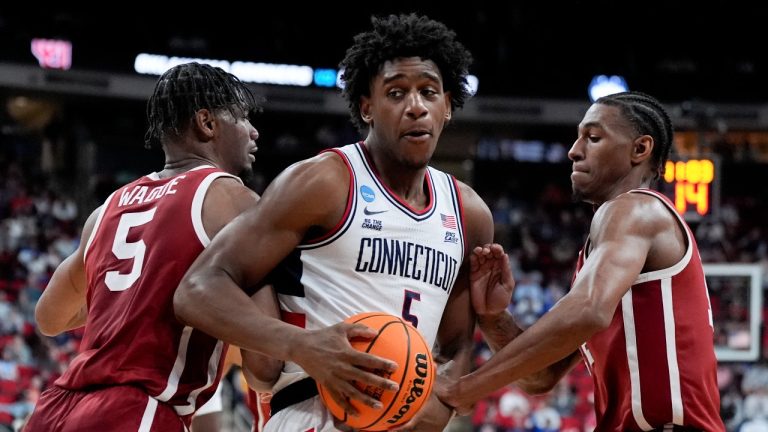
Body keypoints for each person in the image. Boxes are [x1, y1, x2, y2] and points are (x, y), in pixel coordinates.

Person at [175, 13, 493, 432]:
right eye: (396, 93)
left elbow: (455, 344)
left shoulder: (469, 213)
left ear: (447, 105)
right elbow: (197, 289)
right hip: (313, 412)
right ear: (367, 107)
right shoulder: (324, 181)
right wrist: (303, 347)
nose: (416, 106)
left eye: (429, 93)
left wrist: (445, 399)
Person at [441, 91, 725, 431]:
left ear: (640, 149)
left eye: (592, 137)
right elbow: (540, 378)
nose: (573, 150)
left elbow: (588, 310)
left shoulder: (636, 209)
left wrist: (465, 388)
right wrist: (492, 318)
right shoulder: (610, 255)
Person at [24, 62, 282, 431]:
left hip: (56, 410)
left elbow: (49, 317)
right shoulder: (233, 199)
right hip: (134, 412)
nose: (254, 132)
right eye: (242, 118)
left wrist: (137, 296)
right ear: (207, 123)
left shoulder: (107, 208)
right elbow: (264, 368)